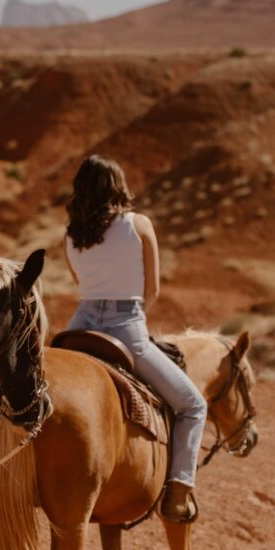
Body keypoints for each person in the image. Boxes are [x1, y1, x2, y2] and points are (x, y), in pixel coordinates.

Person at [64, 155, 207, 522]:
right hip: (126, 324)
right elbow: (152, 290)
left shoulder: (71, 236)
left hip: (80, 324)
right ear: (118, 186)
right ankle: (178, 490)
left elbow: (83, 285)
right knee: (192, 405)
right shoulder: (138, 225)